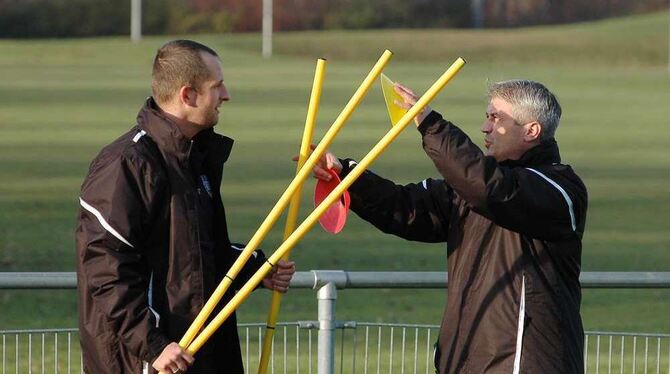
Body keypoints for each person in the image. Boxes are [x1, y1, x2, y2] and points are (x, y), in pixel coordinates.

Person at [311, 80, 587, 373]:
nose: (486, 128)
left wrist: (429, 123)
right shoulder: (473, 189)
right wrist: (344, 174)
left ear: (532, 131)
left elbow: (490, 189)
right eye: (487, 117)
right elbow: (406, 207)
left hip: (525, 362)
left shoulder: (559, 188)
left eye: (496, 118)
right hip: (467, 358)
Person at [75, 40, 296, 374]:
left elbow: (194, 252)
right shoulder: (126, 164)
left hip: (198, 353)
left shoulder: (194, 159)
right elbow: (105, 272)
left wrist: (254, 268)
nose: (226, 95)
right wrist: (152, 345)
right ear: (188, 95)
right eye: (217, 86)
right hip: (148, 362)